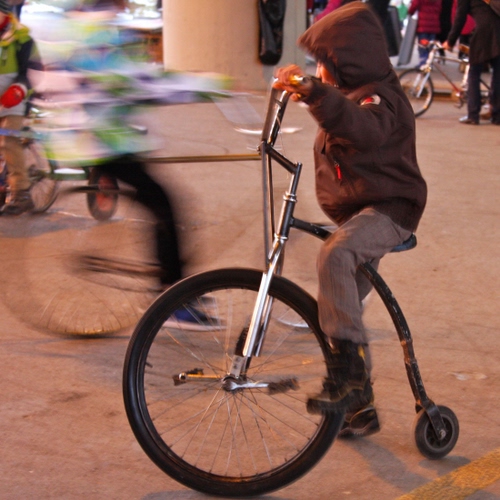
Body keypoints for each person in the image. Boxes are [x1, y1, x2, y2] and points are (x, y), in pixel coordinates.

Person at [273, 2, 427, 436]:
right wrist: (306, 92)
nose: (318, 71)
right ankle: (361, 407)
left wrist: (316, 94)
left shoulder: (379, 97)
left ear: (348, 60)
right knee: (340, 309)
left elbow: (363, 128)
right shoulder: (351, 94)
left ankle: (351, 381)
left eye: (323, 63)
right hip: (362, 209)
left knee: (336, 256)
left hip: (392, 208)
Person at [0, 0, 43, 215]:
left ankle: (21, 194)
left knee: (8, 140)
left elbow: (34, 71)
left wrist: (19, 89)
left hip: (16, 101)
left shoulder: (22, 38)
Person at [443, 0, 500, 125]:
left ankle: (473, 114)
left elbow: (460, 18)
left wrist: (450, 41)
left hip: (482, 33)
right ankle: (497, 114)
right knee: (498, 75)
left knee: (474, 73)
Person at [408, 0, 443, 67]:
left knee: (423, 46)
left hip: (423, 25)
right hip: (434, 24)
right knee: (431, 46)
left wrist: (410, 12)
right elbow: (440, 9)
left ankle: (423, 64)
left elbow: (414, 5)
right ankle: (429, 64)